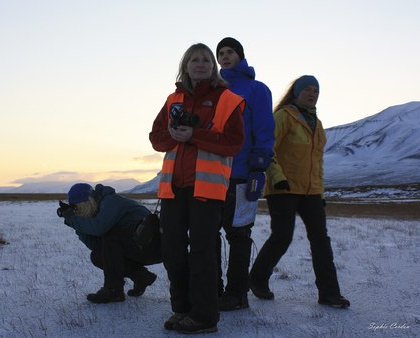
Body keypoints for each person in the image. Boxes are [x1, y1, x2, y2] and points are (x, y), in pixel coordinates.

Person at [150, 43, 245, 334]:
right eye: (194, 60)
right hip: (173, 188)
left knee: (202, 253)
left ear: (213, 67)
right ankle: (182, 310)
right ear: (186, 66)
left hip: (207, 189)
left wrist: (195, 135)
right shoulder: (173, 99)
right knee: (174, 252)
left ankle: (204, 316)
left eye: (206, 60)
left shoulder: (227, 99)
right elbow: (156, 138)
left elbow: (233, 143)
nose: (201, 64)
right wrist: (176, 136)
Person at [248, 75, 350, 308]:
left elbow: (317, 163)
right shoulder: (284, 116)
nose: (312, 94)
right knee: (282, 237)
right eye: (307, 90)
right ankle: (257, 278)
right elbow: (267, 149)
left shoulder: (318, 124)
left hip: (310, 191)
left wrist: (320, 193)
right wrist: (277, 177)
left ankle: (329, 293)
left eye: (316, 90)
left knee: (321, 241)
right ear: (296, 92)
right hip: (283, 188)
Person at [215, 37, 275, 311]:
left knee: (239, 235)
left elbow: (263, 131)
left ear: (240, 56)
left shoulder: (256, 89)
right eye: (221, 54)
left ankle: (237, 293)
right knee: (207, 234)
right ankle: (212, 289)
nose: (225, 57)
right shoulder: (213, 89)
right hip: (212, 175)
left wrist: (258, 168)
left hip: (241, 175)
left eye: (230, 52)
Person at [57, 183, 162, 303]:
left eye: (79, 208)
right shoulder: (100, 207)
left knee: (112, 236)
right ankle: (141, 276)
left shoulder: (111, 201)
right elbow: (97, 246)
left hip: (153, 247)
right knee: (98, 255)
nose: (78, 212)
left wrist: (73, 219)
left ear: (87, 201)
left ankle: (113, 290)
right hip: (138, 248)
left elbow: (99, 228)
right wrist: (76, 225)